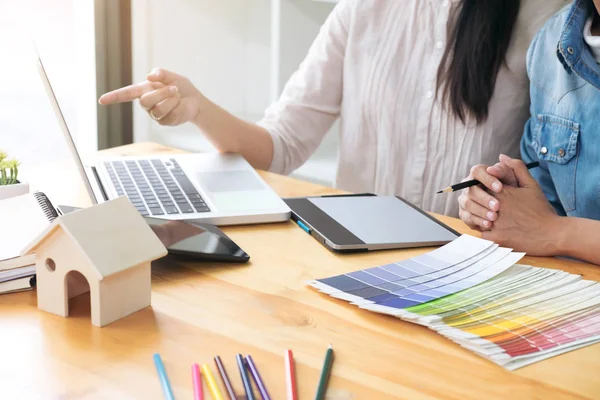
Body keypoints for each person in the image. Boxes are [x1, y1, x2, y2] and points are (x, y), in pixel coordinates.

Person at [99, 0, 564, 217]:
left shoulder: (546, 17)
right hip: (362, 257)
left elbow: (553, 189)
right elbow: (278, 147)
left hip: (473, 266)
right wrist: (197, 109)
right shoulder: (362, 10)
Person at [457, 0, 600, 265]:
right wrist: (503, 203)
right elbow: (545, 200)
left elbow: (546, 228)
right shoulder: (549, 43)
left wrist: (554, 231)